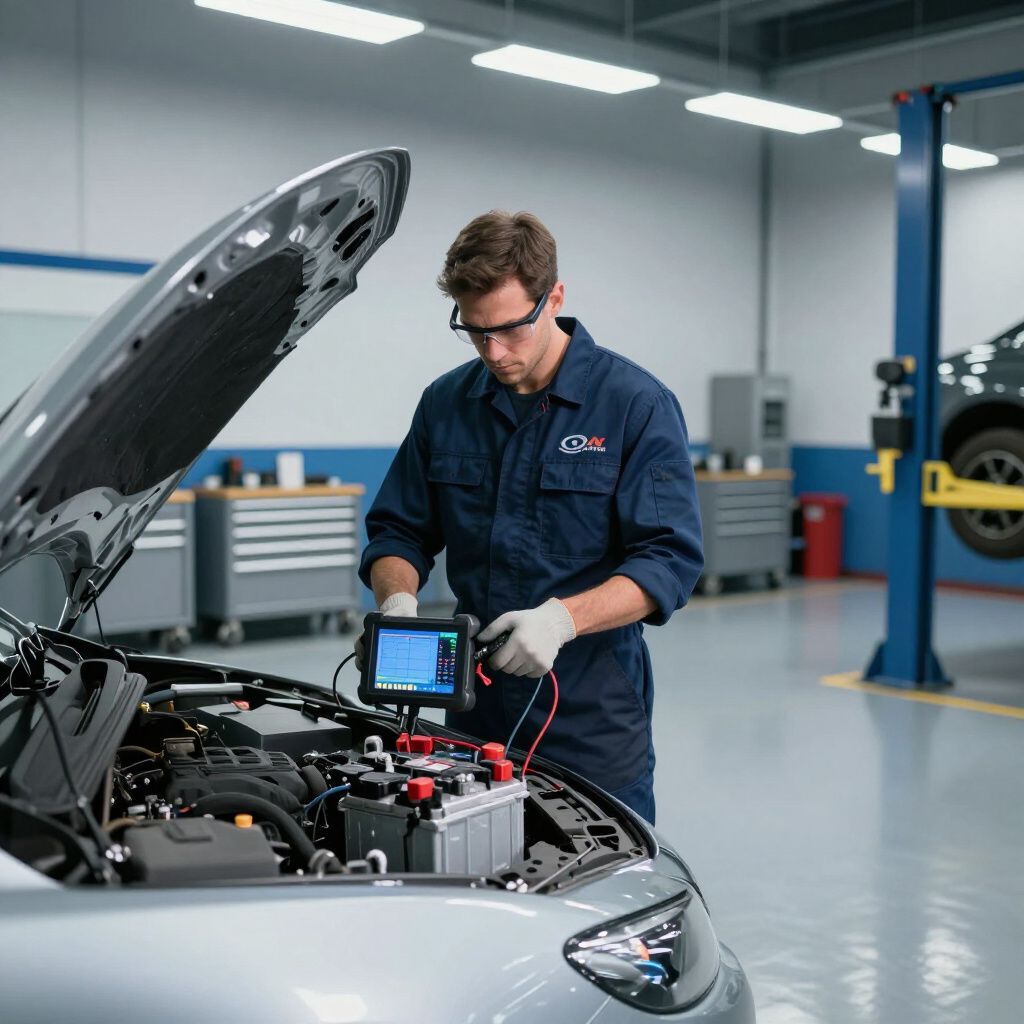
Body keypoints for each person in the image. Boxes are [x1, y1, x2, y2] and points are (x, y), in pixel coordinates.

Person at [357, 211, 702, 823]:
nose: (493, 351)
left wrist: (563, 620)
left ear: (555, 298)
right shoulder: (446, 403)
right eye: (474, 331)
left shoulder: (635, 405)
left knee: (598, 877)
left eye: (511, 329)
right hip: (472, 705)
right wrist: (397, 604)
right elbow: (399, 530)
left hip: (590, 713)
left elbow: (668, 561)